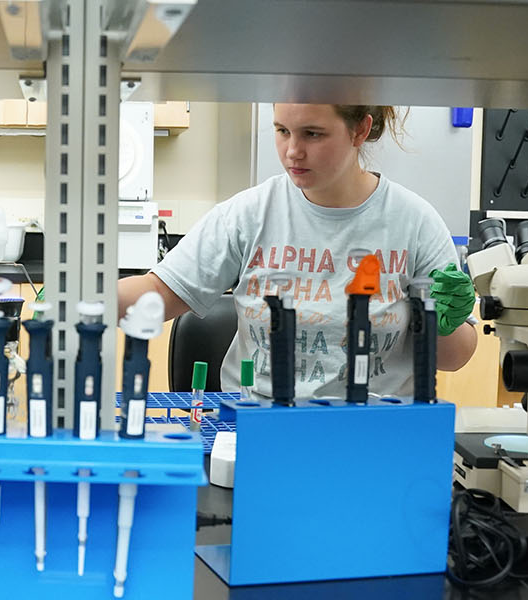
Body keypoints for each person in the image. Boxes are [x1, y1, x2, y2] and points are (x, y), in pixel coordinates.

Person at [118, 104, 477, 399]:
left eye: (313, 134)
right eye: (282, 131)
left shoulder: (414, 223)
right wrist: (76, 292)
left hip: (370, 431)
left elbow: (453, 358)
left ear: (360, 130)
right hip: (257, 426)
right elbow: (159, 293)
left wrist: (445, 325)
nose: (292, 151)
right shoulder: (250, 213)